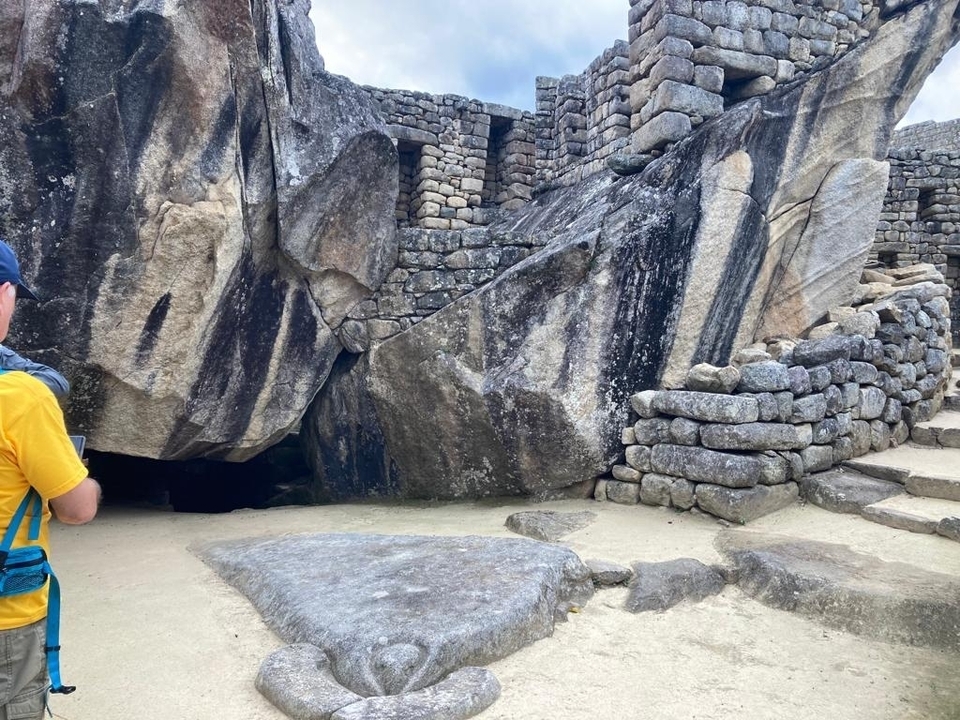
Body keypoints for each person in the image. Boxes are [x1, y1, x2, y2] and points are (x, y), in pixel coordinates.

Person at [0, 239, 100, 719]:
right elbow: (76, 509)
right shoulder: (20, 398)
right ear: (4, 293)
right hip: (8, 619)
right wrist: (89, 482)